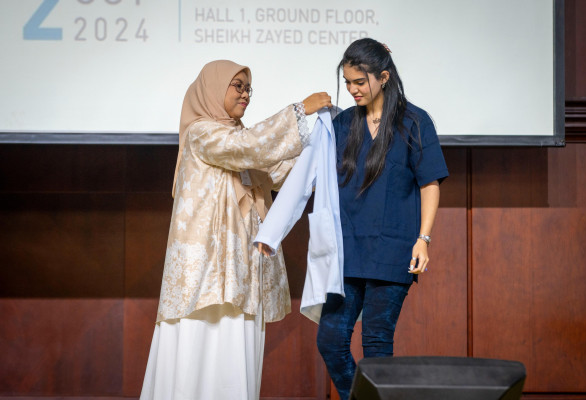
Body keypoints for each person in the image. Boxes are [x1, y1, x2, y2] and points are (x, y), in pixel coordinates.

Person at [140, 59, 332, 400]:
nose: (245, 94)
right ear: (213, 89)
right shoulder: (201, 132)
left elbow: (278, 169)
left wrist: (323, 146)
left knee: (234, 353)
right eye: (237, 85)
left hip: (241, 269)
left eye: (248, 88)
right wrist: (300, 111)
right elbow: (249, 148)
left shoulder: (242, 139)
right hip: (207, 272)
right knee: (198, 350)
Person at [316, 38, 449, 399]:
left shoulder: (415, 122)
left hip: (392, 250)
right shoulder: (342, 124)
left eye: (360, 82)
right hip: (347, 251)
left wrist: (424, 239)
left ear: (384, 76)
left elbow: (430, 183)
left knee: (376, 343)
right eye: (347, 82)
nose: (352, 90)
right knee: (330, 340)